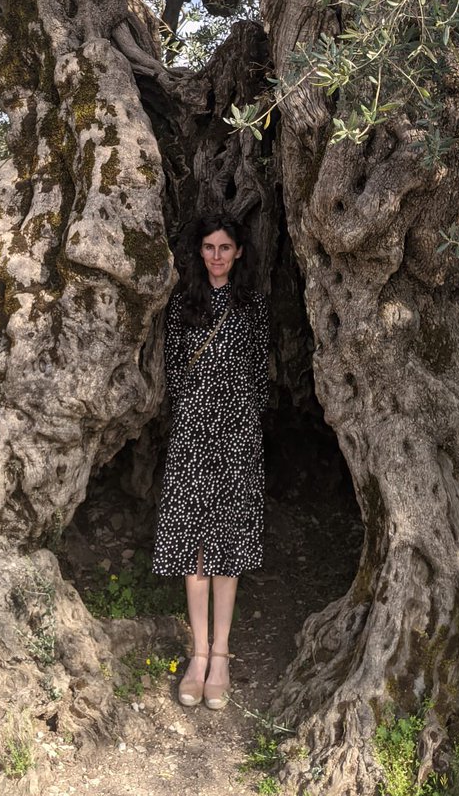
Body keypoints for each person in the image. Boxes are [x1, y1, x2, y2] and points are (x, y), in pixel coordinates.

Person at [152, 212, 269, 710]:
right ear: (198, 252)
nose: (216, 256)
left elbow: (260, 374)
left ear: (239, 252)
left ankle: (221, 655)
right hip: (193, 436)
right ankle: (198, 655)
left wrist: (240, 421)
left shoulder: (253, 306)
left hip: (238, 437)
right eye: (208, 247)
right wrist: (196, 414)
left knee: (228, 543)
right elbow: (174, 371)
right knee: (195, 546)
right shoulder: (183, 304)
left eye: (225, 247)